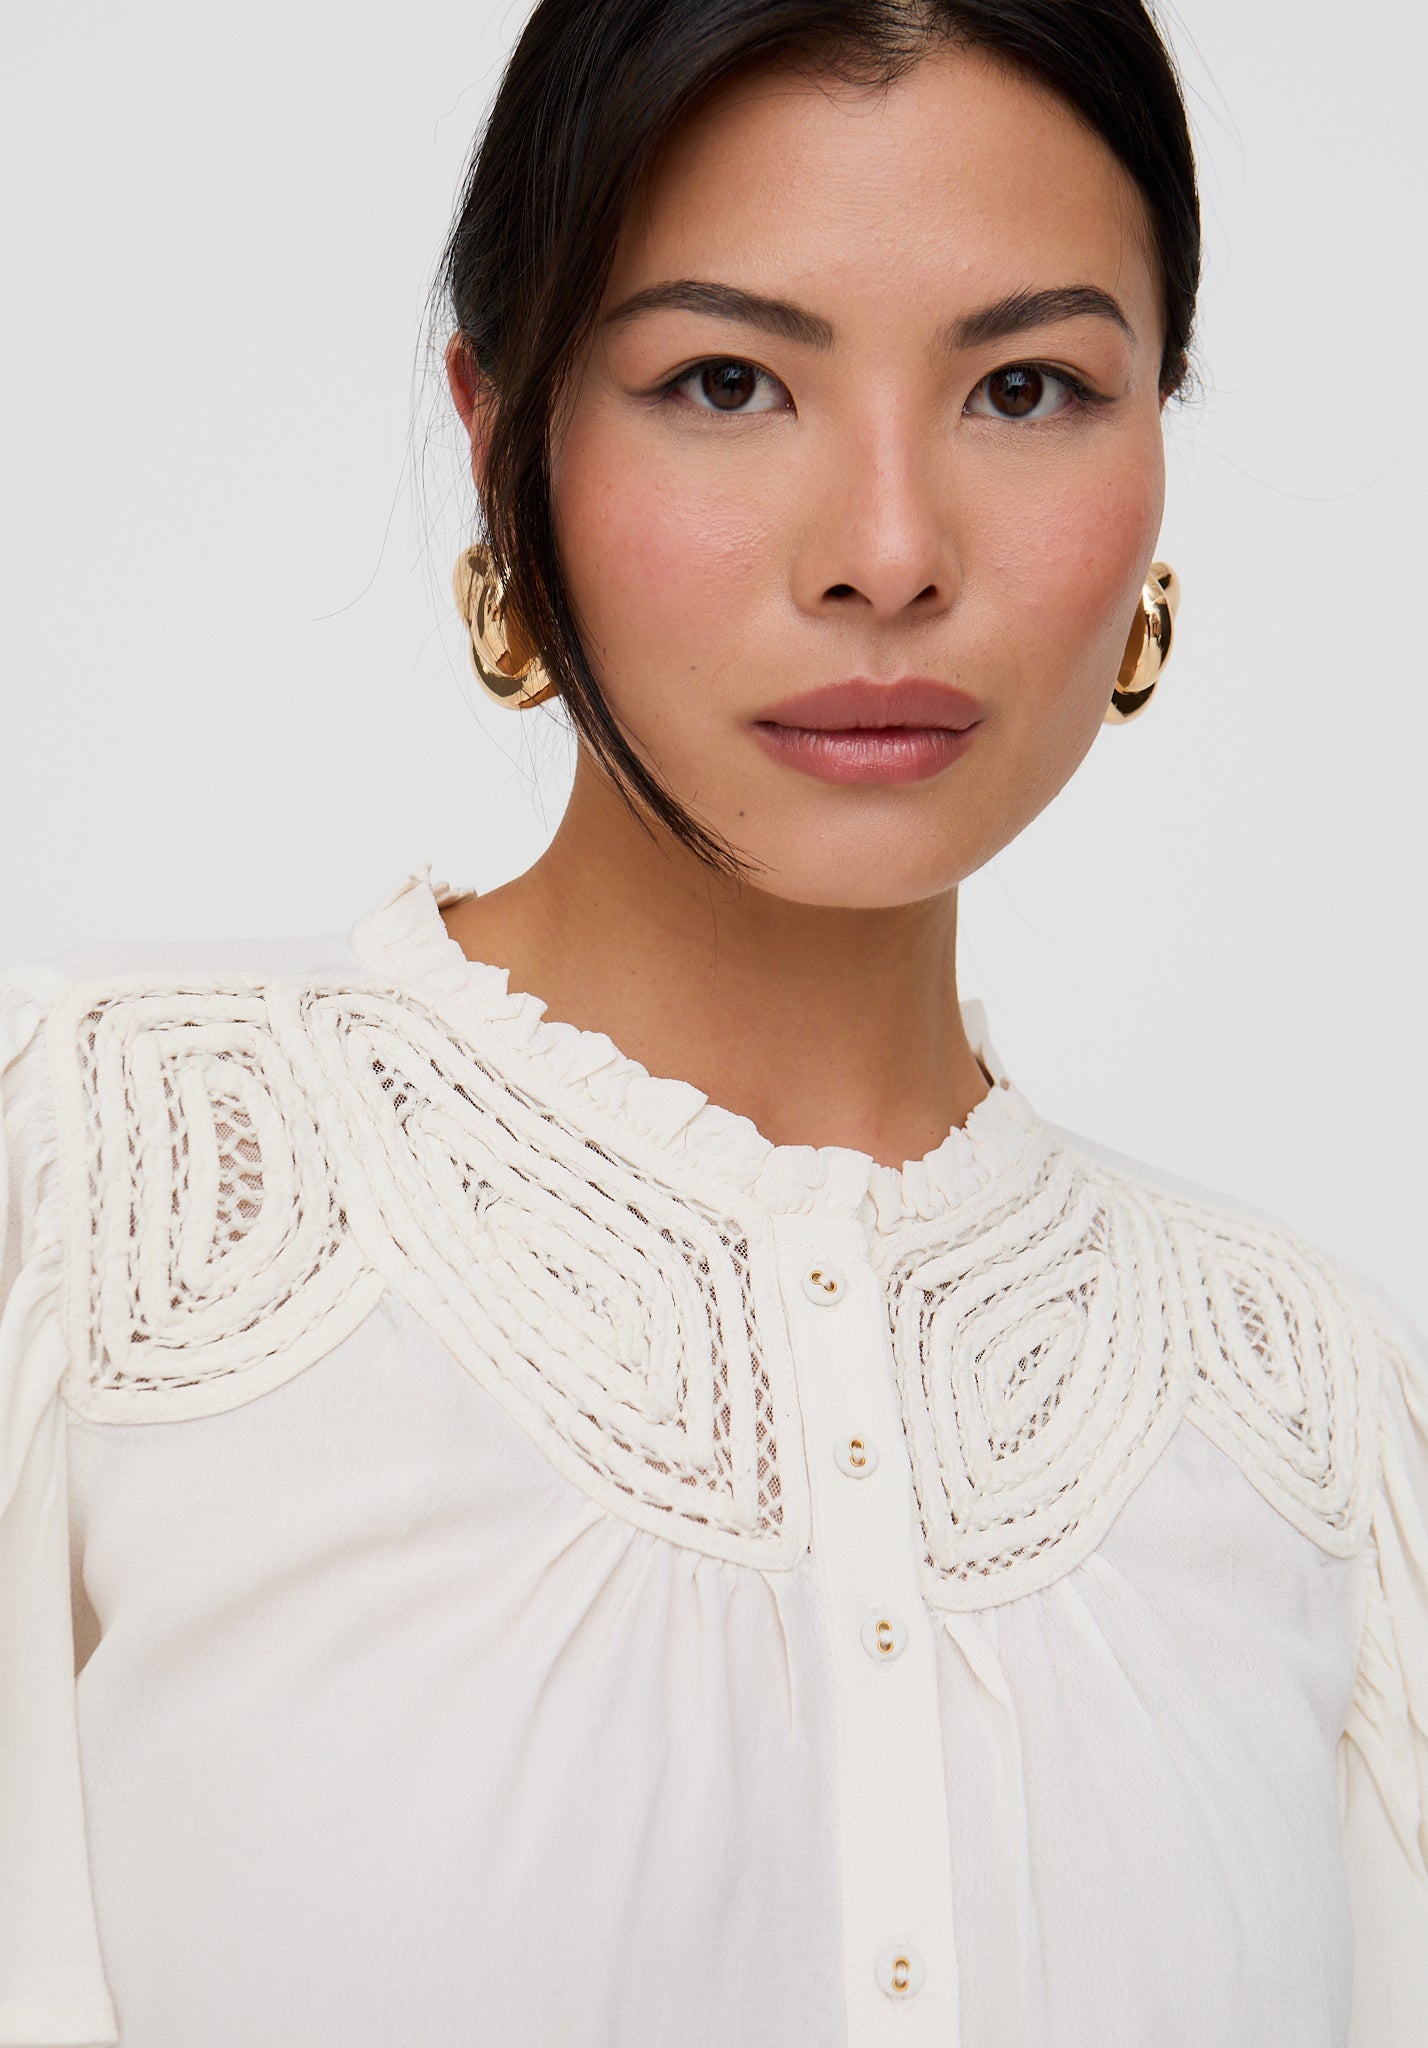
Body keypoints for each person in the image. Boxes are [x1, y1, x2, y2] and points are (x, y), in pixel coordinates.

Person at [1, 2, 1423, 2043]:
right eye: (726, 380)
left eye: (1026, 386)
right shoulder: (99, 1184)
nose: (888, 554)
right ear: (506, 446)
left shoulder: (1314, 1419)